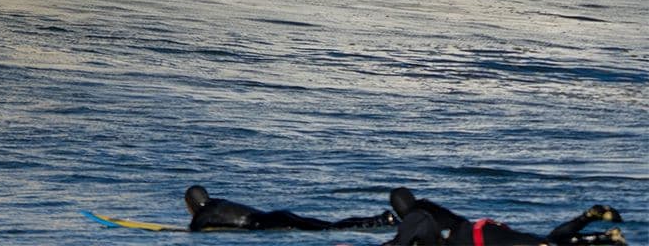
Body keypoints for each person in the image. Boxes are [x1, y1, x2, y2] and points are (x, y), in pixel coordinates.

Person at [386, 187, 624, 246]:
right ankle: (596, 229)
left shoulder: (415, 217)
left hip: (484, 238)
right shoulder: (429, 208)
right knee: (545, 240)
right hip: (485, 230)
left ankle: (603, 238)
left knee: (542, 244)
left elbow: (399, 243)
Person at [184, 186, 397, 232]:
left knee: (329, 229)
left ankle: (379, 220)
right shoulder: (218, 202)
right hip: (278, 215)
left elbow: (196, 228)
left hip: (271, 223)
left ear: (192, 204)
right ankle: (379, 219)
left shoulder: (204, 214)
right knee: (329, 226)